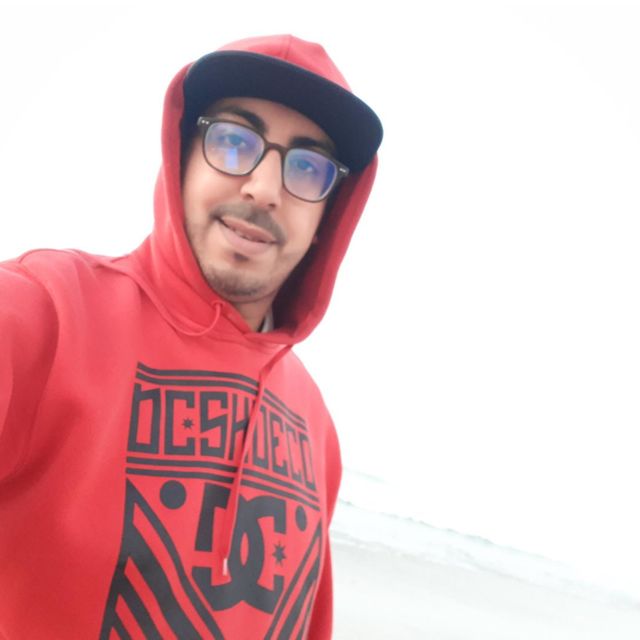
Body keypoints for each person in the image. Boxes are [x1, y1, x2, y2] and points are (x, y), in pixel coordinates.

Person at [0, 34, 382, 639]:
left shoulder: (316, 430)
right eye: (234, 141)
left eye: (307, 168)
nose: (264, 189)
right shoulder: (44, 311)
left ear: (327, 218)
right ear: (180, 158)